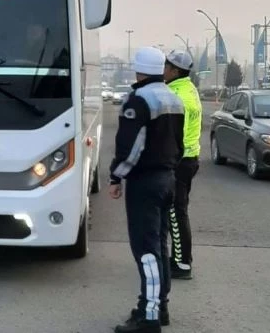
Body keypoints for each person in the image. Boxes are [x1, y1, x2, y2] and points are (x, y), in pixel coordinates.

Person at [109, 46, 185, 333]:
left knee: (146, 250)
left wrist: (116, 177)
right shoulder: (174, 98)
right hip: (168, 179)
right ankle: (158, 306)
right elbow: (178, 144)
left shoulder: (139, 100)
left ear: (138, 69)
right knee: (159, 246)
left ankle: (148, 317)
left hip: (145, 182)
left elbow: (131, 148)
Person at [164, 50, 203, 280]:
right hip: (189, 159)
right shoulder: (189, 89)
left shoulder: (177, 96)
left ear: (175, 70)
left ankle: (182, 263)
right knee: (178, 211)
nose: (164, 69)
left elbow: (172, 135)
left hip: (180, 161)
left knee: (176, 213)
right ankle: (179, 258)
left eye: (167, 66)